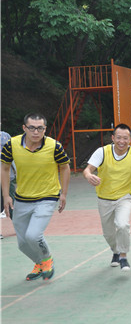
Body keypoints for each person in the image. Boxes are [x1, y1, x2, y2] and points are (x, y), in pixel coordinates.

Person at [1, 113, 70, 281]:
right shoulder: (12, 145)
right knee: (23, 244)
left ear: (45, 129)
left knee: (33, 235)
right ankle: (39, 263)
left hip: (47, 197)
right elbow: (4, 168)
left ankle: (47, 260)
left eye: (40, 128)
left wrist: (63, 193)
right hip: (22, 198)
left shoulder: (54, 146)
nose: (36, 132)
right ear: (24, 128)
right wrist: (6, 196)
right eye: (32, 128)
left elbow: (64, 167)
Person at [83, 124, 131, 271]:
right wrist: (89, 176)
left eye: (125, 138)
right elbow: (87, 170)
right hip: (104, 197)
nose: (122, 141)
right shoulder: (102, 152)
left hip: (125, 196)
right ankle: (115, 251)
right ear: (113, 138)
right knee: (108, 233)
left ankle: (123, 256)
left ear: (130, 139)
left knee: (122, 225)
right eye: (119, 137)